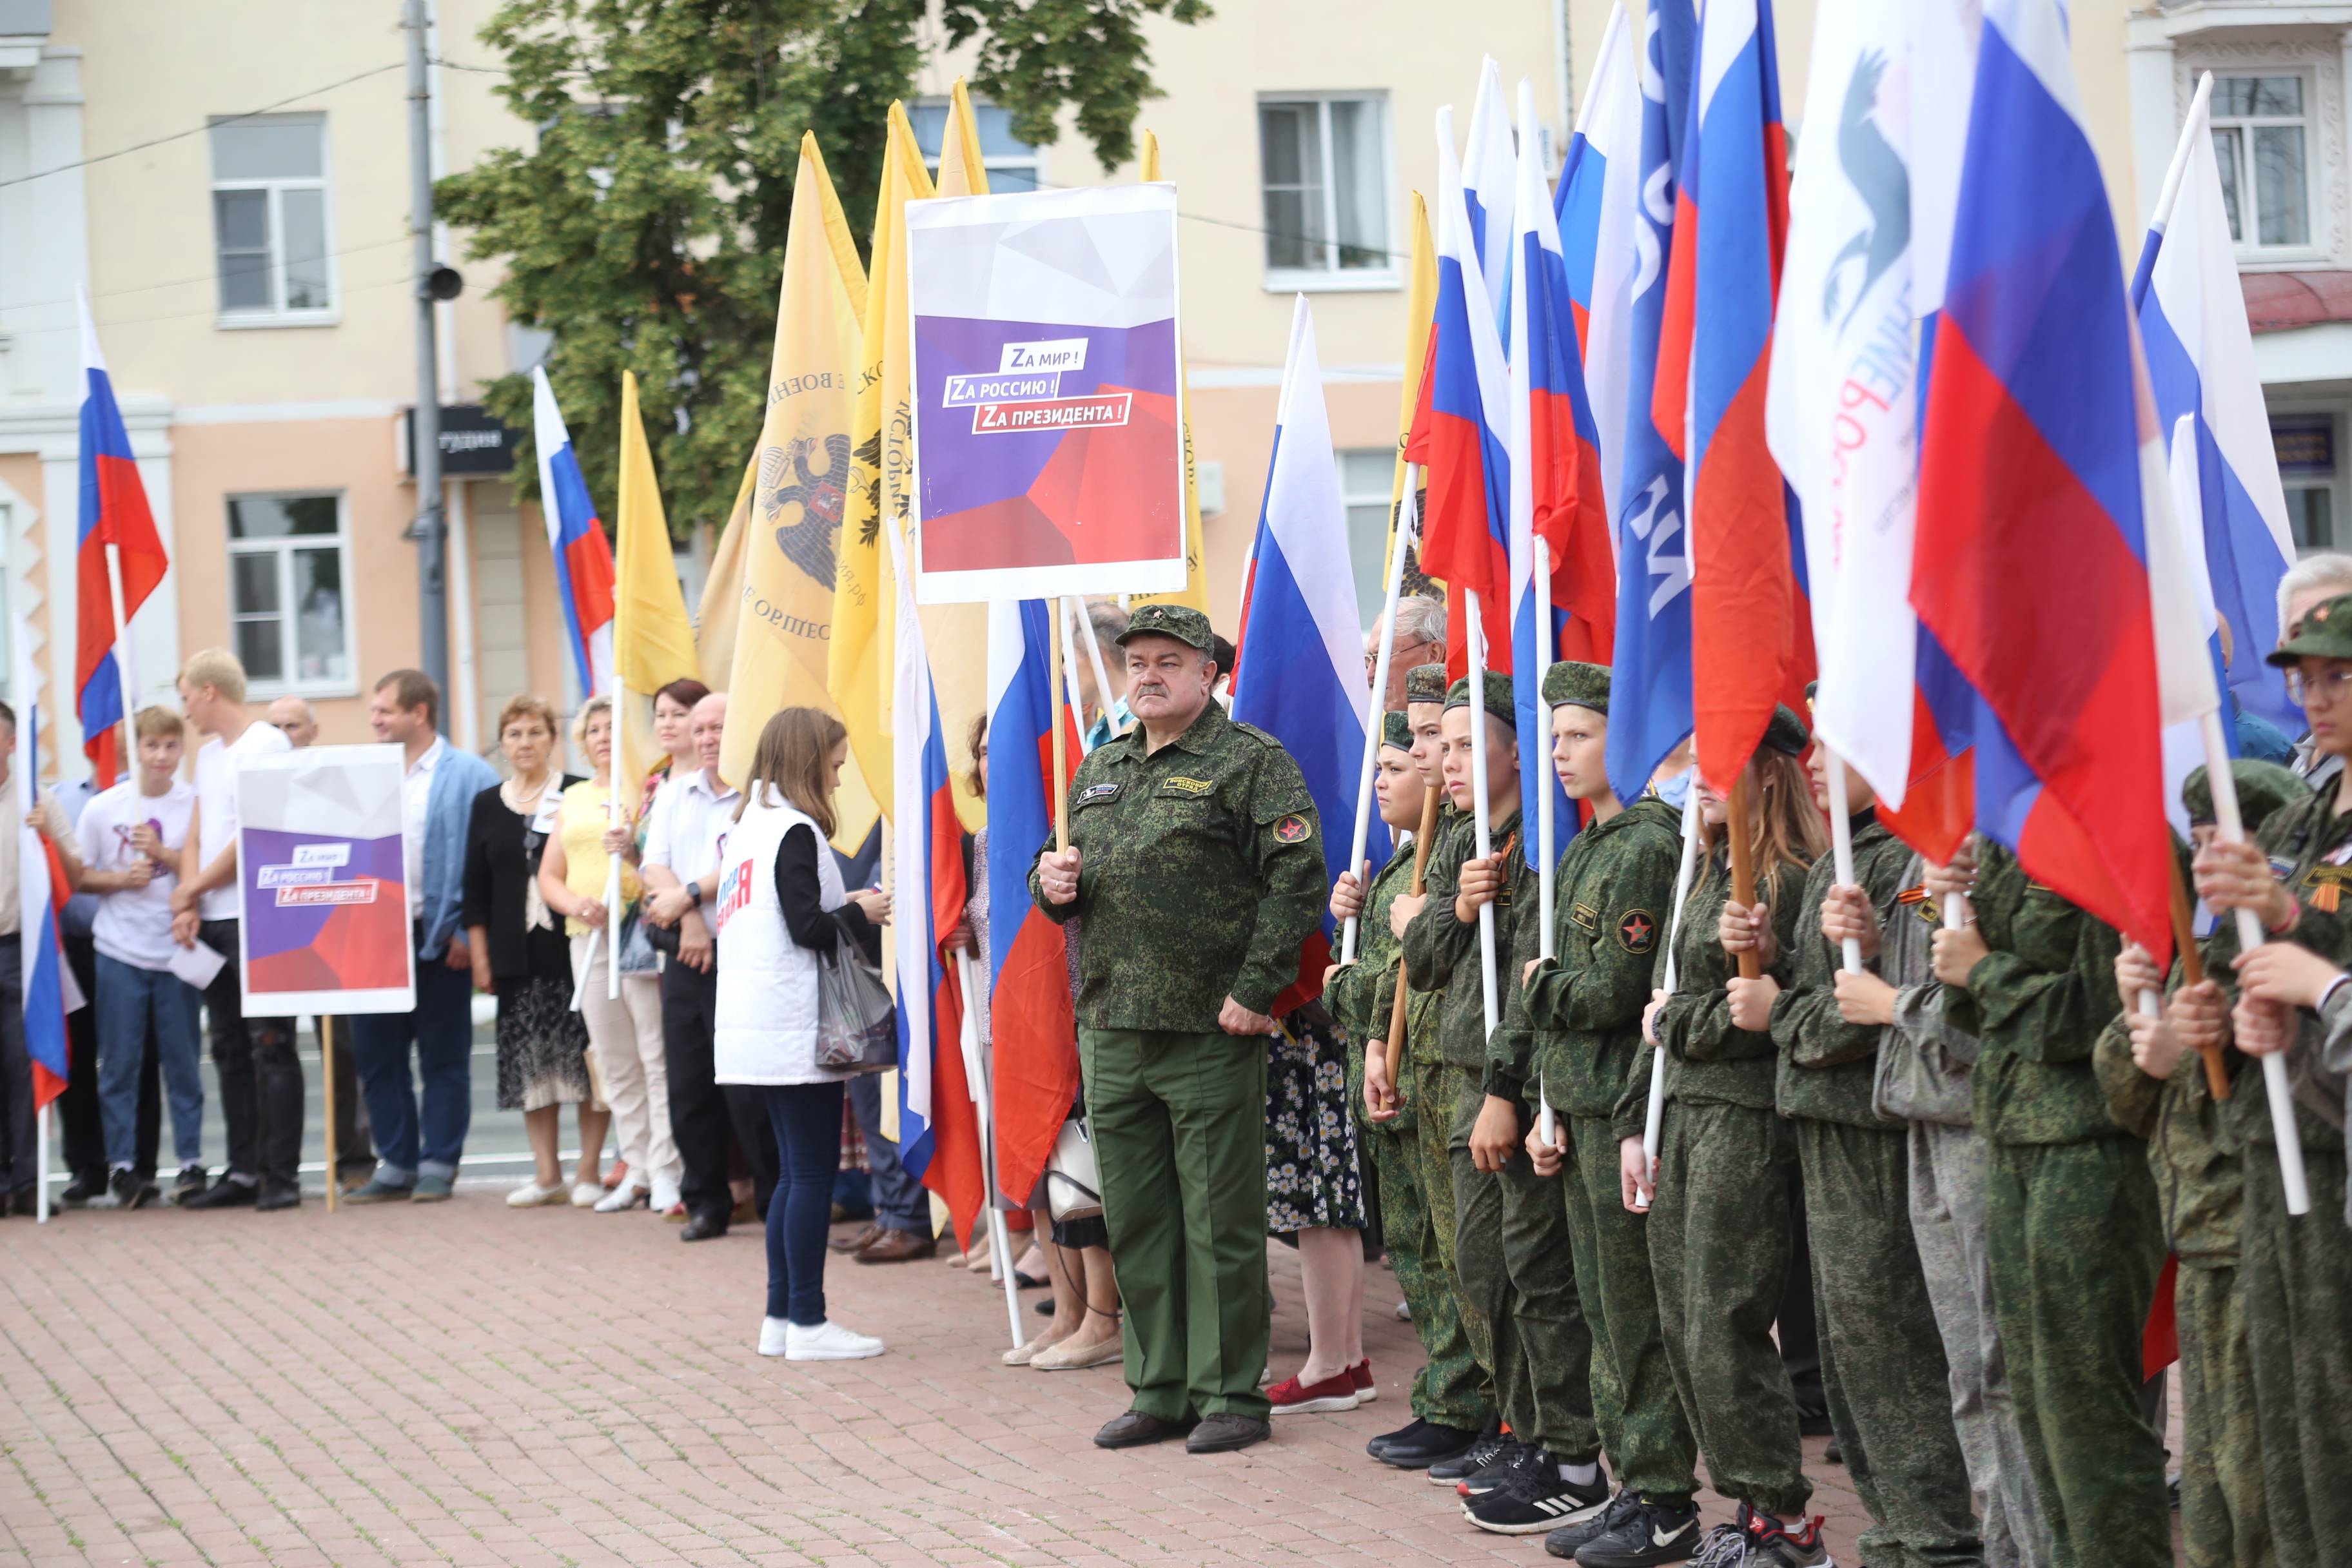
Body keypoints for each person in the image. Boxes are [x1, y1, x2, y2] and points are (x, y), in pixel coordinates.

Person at [1030, 602, 1323, 1456]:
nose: (1149, 675)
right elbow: (1052, 882)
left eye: (1168, 661)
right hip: (1114, 1025)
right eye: (1137, 662)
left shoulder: (1249, 763)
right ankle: (1158, 1388)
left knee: (1218, 1220)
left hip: (1210, 1027)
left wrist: (1256, 988)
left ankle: (1231, 1392)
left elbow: (1295, 879)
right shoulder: (1103, 765)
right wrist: (1049, 882)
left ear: (1209, 673)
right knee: (1139, 1218)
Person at [1759, 730, 1981, 1568]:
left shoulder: (1907, 858)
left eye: (1833, 743)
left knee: (1894, 1349)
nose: (1812, 763)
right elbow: (1826, 995)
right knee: (1853, 1355)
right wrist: (1787, 974)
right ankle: (1897, 1532)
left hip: (1873, 1130)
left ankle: (1934, 1539)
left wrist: (1782, 1013)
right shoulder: (1838, 861)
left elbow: (1871, 1015)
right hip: (1827, 1128)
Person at [1404, 670, 1608, 1534]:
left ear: (1513, 748)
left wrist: (1508, 1093)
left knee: (1535, 1275)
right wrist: (1455, 904)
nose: (1447, 763)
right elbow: (1420, 956)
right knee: (1484, 1275)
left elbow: (1533, 984)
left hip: (1513, 1088)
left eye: (1463, 745)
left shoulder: (1546, 842)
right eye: (1440, 747)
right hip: (1459, 1074)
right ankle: (1529, 1429)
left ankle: (1567, 1446)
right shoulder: (1463, 840)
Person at [1934, 824, 2168, 1567]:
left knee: (2089, 1407)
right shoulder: (2013, 834)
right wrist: (1953, 915)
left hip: (2092, 1145)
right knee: (2034, 1400)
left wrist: (1984, 971)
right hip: (2012, 1136)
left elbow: (2102, 1012)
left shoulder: (2120, 827)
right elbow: (1969, 1015)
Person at [1516, 665, 1705, 1567]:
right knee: (1603, 1310)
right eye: (1553, 738)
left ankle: (1664, 1501)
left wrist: (1544, 990)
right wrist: (1547, 1103)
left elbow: (1616, 991)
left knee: (1633, 1315)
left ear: (1621, 742)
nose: (1558, 753)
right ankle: (1633, 1484)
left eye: (1578, 736)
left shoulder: (1641, 844)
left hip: (1622, 1108)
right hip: (1582, 1104)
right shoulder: (1595, 842)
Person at [1639, 706, 1829, 1567]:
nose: (1704, 780)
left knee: (1727, 1319)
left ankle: (1784, 1519)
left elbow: (1761, 1016)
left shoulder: (1792, 877)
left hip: (1746, 1120)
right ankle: (1749, 1503)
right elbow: (1675, 1000)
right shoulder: (1706, 871)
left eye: (1727, 765)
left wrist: (1676, 1023)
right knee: (1685, 1322)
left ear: (1775, 774)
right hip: (1684, 1112)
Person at [2103, 760, 2304, 1568]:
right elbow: (2131, 1100)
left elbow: (2277, 1106)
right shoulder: (2201, 956)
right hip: (2200, 1244)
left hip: (2264, 1244)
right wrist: (2135, 1012)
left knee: (2269, 1486)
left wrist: (2196, 1050)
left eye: (2225, 839)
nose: (2206, 860)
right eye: (2197, 843)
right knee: (2217, 1487)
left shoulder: (2290, 959)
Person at [2190, 593, 2352, 1568]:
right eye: (2304, 676)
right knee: (2283, 1414)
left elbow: (2311, 937)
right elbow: (2251, 955)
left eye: (2339, 675)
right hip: (2278, 1140)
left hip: (2338, 1163)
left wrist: (2290, 922)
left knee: (2339, 1419)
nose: (2315, 696)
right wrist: (2230, 1010)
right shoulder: (2302, 809)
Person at [1325, 710, 1484, 1457]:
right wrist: (1342, 944)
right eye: (1386, 765)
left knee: (1452, 1255)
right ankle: (1444, 1391)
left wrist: (1340, 985)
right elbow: (1363, 983)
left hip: (1435, 1078)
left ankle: (1467, 1402)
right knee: (1417, 1255)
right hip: (1395, 1080)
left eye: (1397, 763)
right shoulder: (1395, 864)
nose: (1387, 778)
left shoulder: (1443, 861)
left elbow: (1391, 982)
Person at [717, 707, 889, 1361]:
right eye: (836, 765)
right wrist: (860, 908)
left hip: (759, 1022)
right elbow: (806, 928)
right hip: (793, 1023)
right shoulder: (792, 829)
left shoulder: (749, 825)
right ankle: (809, 1320)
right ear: (808, 760)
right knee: (810, 1172)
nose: (839, 779)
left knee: (793, 1173)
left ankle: (781, 1317)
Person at [968, 716, 1122, 1372]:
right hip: (999, 1027)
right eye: (979, 753)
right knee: (1032, 1176)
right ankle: (1063, 1311)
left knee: (1078, 1179)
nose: (986, 763)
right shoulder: (980, 843)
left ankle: (1102, 1316)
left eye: (997, 751)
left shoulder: (1062, 832)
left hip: (1063, 1022)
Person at [344, 670, 499, 1204]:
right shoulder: (363, 773)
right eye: (375, 711)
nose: (376, 721)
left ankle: (438, 1162)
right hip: (372, 939)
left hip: (441, 938)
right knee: (377, 1055)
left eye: (385, 711)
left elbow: (488, 863)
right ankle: (396, 1163)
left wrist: (466, 930)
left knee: (443, 1055)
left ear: (419, 714)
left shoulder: (470, 774)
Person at [169, 649, 302, 1211]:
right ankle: (243, 1170)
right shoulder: (209, 755)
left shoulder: (266, 743)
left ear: (209, 691)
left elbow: (255, 834)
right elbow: (199, 828)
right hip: (215, 920)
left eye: (185, 697)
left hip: (259, 916)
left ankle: (282, 1176)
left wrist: (192, 888)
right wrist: (190, 900)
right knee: (227, 1049)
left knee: (270, 1045)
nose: (184, 711)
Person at [643, 691, 775, 1239]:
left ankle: (773, 1198)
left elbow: (749, 860)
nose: (705, 739)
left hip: (743, 953)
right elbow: (653, 866)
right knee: (689, 1081)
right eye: (698, 730)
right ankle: (706, 1201)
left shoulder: (761, 797)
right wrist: (691, 918)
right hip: (686, 952)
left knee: (749, 1086)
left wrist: (690, 895)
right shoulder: (673, 795)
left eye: (717, 728)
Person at [464, 694, 604, 1206]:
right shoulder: (485, 804)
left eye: (535, 733)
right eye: (515, 734)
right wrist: (480, 956)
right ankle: (547, 1174)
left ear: (552, 738)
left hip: (570, 945)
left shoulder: (576, 793)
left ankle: (589, 1170)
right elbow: (473, 890)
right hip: (512, 955)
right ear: (503, 743)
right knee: (530, 1063)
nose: (525, 744)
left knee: (583, 1058)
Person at [544, 697, 678, 1215]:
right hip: (588, 934)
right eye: (592, 729)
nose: (602, 736)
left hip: (637, 929)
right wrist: (573, 902)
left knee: (654, 1053)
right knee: (615, 1059)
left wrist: (633, 853)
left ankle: (668, 1169)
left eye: (610, 727)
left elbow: (659, 860)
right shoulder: (573, 798)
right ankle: (638, 1168)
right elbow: (548, 876)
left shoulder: (644, 791)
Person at [74, 707, 206, 1210]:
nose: (161, 757)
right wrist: (119, 880)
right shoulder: (103, 809)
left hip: (177, 951)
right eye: (151, 746)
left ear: (181, 750)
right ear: (134, 750)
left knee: (184, 1064)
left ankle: (192, 1163)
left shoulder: (195, 804)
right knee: (121, 1065)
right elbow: (81, 875)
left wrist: (168, 856)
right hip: (119, 952)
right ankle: (124, 1167)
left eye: (171, 746)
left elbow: (203, 869)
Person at [266, 696, 373, 1191]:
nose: (286, 734)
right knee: (271, 1052)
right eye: (276, 727)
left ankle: (352, 1160)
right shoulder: (256, 788)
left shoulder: (338, 781)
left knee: (346, 1051)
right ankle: (272, 1168)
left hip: (334, 932)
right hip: (274, 935)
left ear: (313, 730)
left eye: (293, 725)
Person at [43, 771, 163, 1208]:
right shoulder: (61, 798)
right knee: (72, 1058)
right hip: (71, 948)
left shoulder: (151, 794)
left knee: (137, 1060)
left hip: (133, 948)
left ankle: (138, 1167)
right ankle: (87, 1168)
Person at [2278, 553, 2352, 792]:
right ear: (2283, 648)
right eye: (2302, 632)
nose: (2316, 646)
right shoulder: (2300, 753)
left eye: (2339, 625)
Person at [0, 703, 32, 1215]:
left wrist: (46, 835)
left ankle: (27, 1180)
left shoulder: (34, 803)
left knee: (23, 1066)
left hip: (18, 952)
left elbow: (73, 876)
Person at [1362, 593, 1446, 713]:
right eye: (1368, 660)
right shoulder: (1369, 727)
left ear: (1434, 654)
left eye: (1381, 658)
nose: (1369, 674)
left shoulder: (1472, 727)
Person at [1079, 601, 1132, 749]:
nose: (1065, 670)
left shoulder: (1147, 729)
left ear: (1098, 659)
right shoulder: (1103, 729)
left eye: (1070, 657)